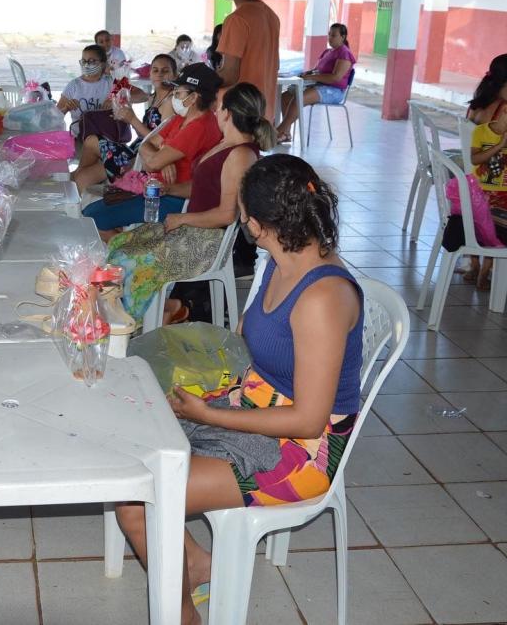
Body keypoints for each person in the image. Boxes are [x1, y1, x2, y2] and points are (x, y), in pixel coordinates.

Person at [115, 154, 362, 625]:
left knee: (139, 497)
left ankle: (184, 614)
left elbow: (308, 420)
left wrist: (209, 415)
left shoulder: (322, 298)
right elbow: (253, 343)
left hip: (300, 451)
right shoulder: (281, 258)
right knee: (133, 435)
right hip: (255, 405)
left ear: (254, 223)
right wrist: (208, 389)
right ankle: (196, 564)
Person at [107, 83, 274, 322]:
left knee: (132, 261)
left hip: (206, 241)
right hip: (189, 230)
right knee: (118, 244)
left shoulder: (241, 155)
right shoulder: (225, 144)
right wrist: (170, 189)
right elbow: (203, 187)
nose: (215, 110)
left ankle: (130, 321)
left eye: (219, 105)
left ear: (228, 112)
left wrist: (182, 218)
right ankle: (162, 309)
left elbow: (227, 214)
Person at [82, 64, 224, 238]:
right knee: (93, 212)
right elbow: (146, 144)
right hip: (154, 190)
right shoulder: (181, 119)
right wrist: (164, 159)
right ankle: (127, 249)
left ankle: (130, 257)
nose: (174, 96)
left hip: (175, 199)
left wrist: (160, 158)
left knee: (91, 218)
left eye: (178, 93)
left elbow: (150, 163)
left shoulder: (200, 126)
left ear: (193, 97)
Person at [70, 53, 178, 193]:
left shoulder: (171, 101)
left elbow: (160, 141)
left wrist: (132, 119)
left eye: (165, 71)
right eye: (155, 70)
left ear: (175, 75)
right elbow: (142, 133)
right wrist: (127, 113)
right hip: (136, 151)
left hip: (145, 159)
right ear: (150, 74)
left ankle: (72, 179)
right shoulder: (153, 98)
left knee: (91, 142)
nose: (159, 74)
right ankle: (74, 183)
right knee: (83, 177)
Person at [215, 0, 281, 122]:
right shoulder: (271, 16)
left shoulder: (237, 19)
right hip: (263, 114)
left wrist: (198, 81)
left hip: (239, 117)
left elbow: (229, 75)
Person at [466, 53, 507, 290]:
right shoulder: (503, 110)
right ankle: (486, 269)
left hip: (471, 185)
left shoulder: (478, 103)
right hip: (491, 190)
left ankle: (475, 265)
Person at [278, 23, 356, 143]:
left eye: (334, 35)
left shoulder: (344, 53)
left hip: (334, 91)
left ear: (343, 37)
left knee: (300, 98)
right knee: (285, 97)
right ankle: (285, 134)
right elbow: (317, 70)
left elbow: (335, 77)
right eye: (329, 34)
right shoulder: (327, 52)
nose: (330, 38)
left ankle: (278, 131)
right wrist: (307, 74)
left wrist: (313, 77)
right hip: (319, 86)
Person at [57, 44, 113, 137]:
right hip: (79, 137)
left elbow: (141, 95)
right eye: (84, 61)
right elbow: (55, 117)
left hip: (106, 137)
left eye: (92, 61)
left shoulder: (110, 82)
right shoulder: (74, 85)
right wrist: (66, 107)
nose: (86, 65)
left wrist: (115, 101)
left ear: (102, 64)